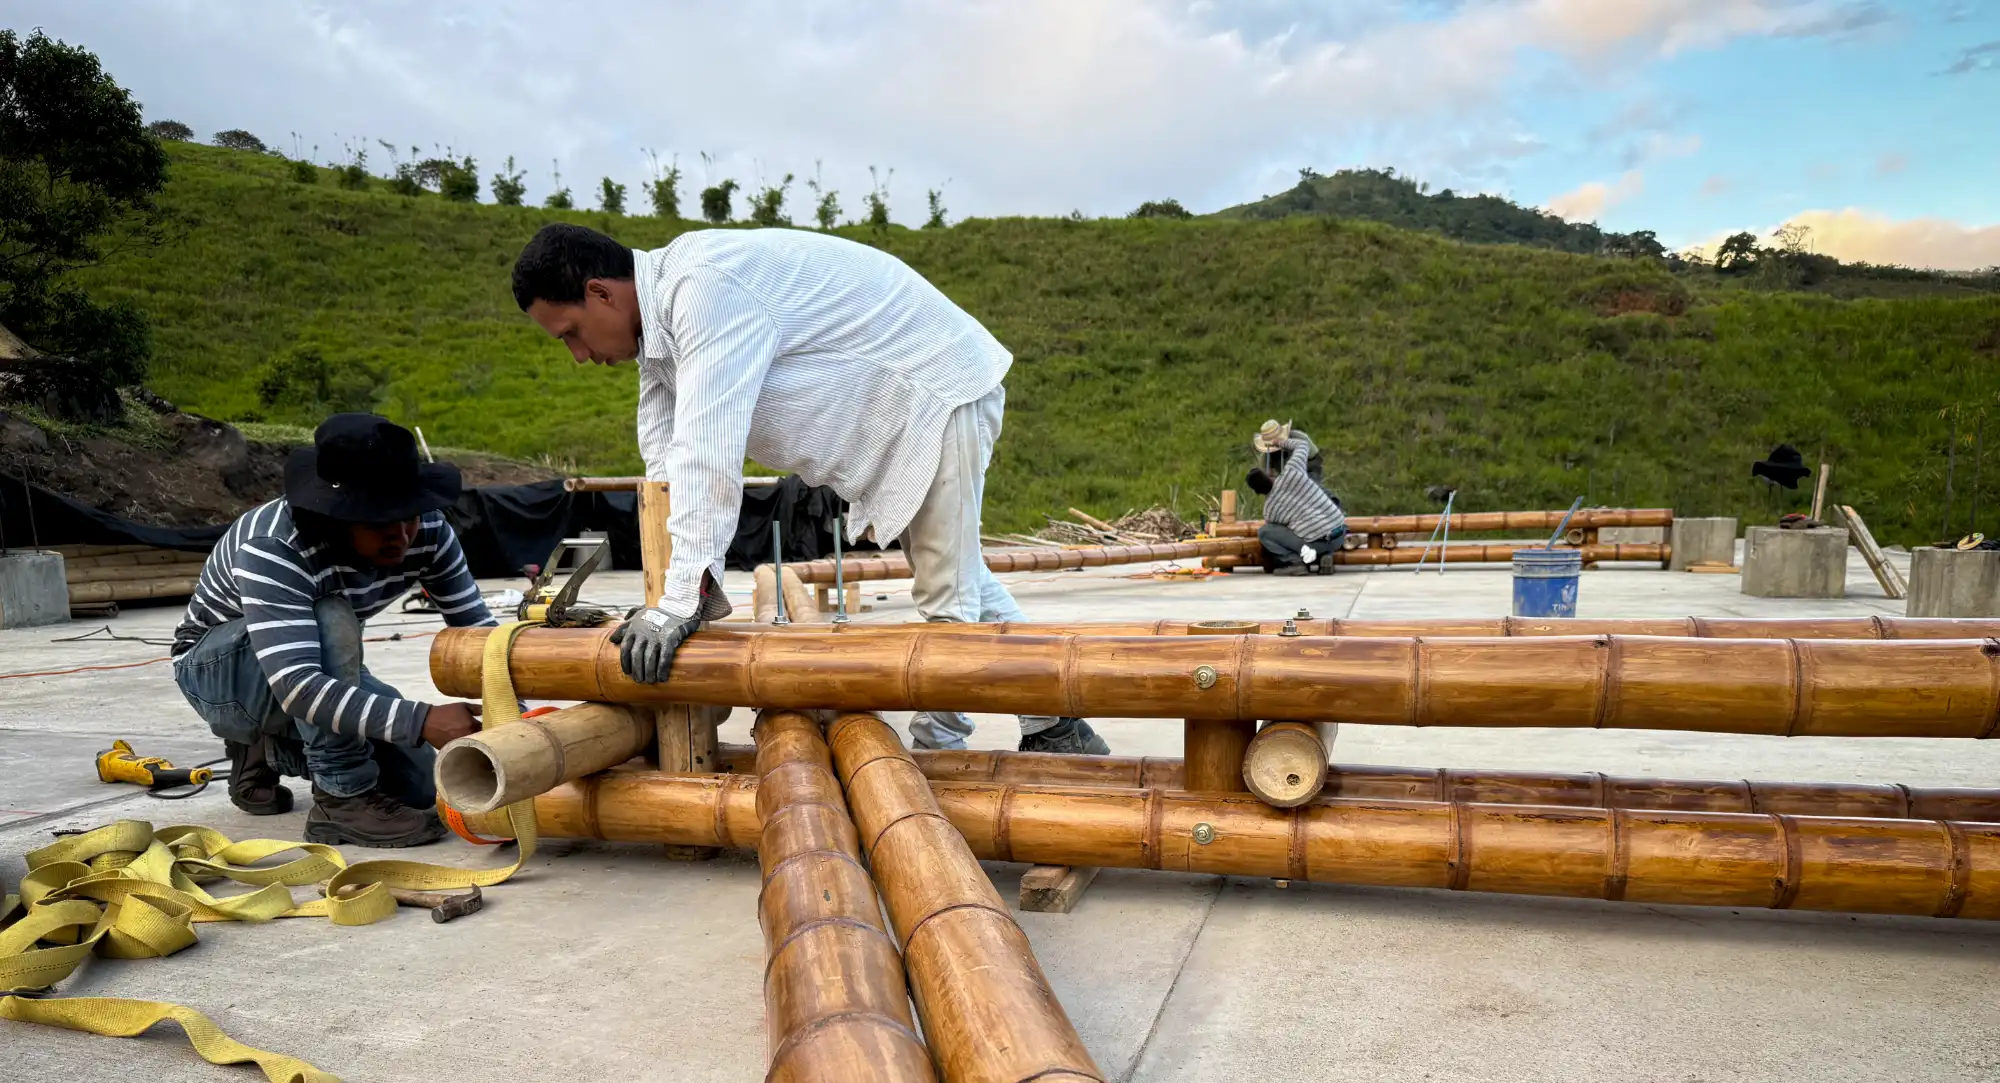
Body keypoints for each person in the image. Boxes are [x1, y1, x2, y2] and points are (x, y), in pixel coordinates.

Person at [510, 222, 1109, 755]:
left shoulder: (705, 289)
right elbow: (664, 464)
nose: (580, 356)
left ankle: (934, 760)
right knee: (960, 579)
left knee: (947, 603)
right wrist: (673, 595)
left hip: (936, 386)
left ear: (602, 293)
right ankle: (1057, 724)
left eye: (571, 333)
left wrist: (681, 599)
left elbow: (707, 450)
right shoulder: (662, 330)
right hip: (913, 403)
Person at [170, 413, 493, 847]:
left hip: (303, 661)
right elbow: (299, 685)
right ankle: (341, 800)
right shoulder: (277, 545)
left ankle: (268, 748)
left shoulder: (429, 530)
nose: (401, 535)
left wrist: (515, 720)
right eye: (380, 522)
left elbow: (478, 634)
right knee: (333, 615)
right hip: (220, 674)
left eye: (409, 516)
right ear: (339, 515)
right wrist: (422, 720)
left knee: (417, 786)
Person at [1248, 419, 1347, 575]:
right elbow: (1299, 450)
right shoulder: (1292, 468)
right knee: (1306, 506)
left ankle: (1297, 561)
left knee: (1319, 495)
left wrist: (1281, 442)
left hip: (1308, 468)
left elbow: (1311, 455)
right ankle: (1325, 554)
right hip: (1338, 534)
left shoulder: (1270, 510)